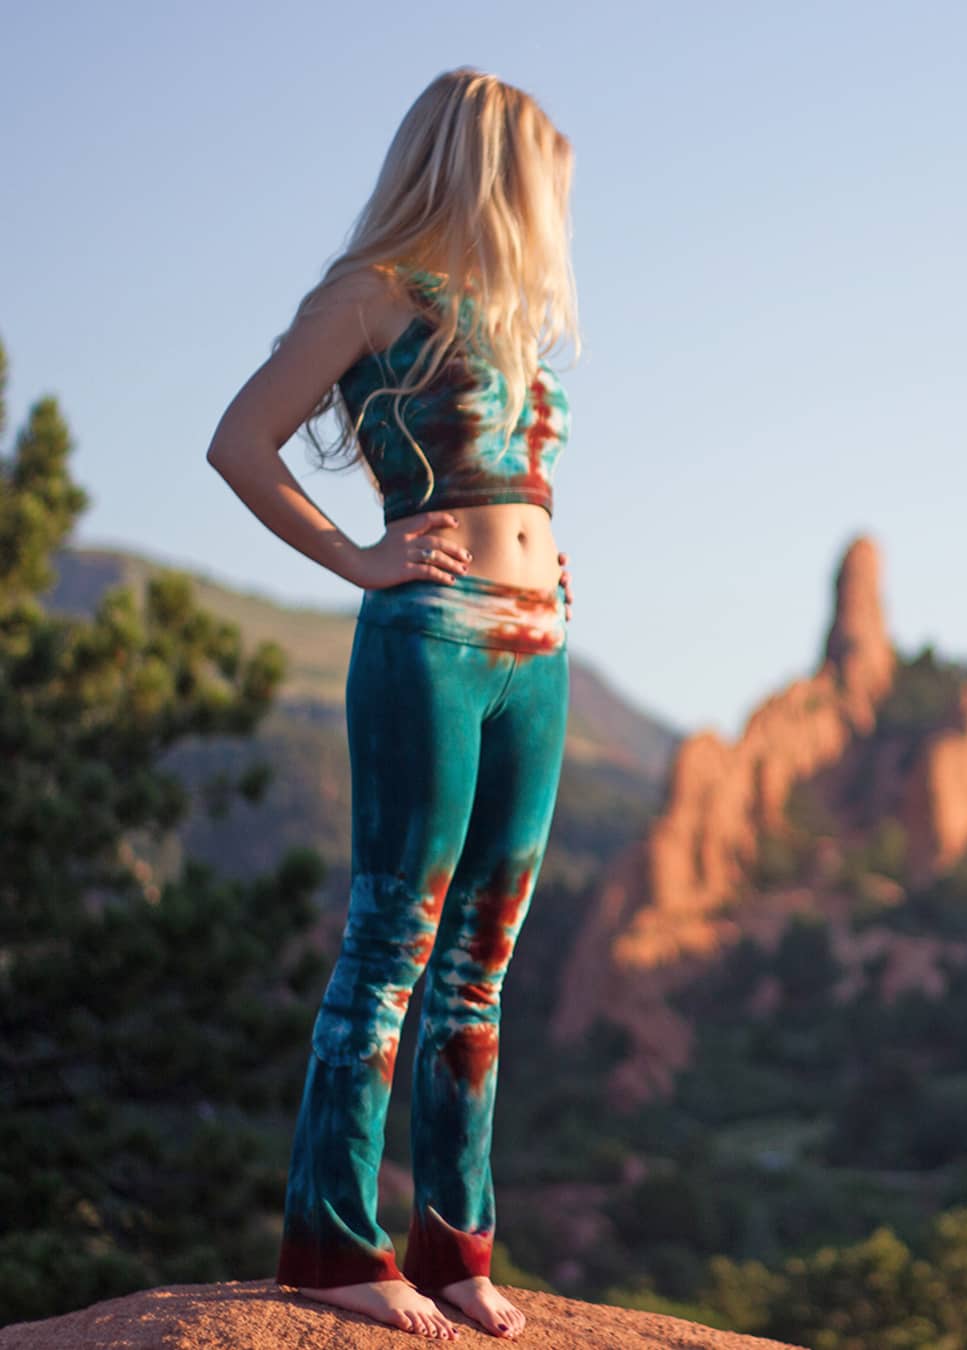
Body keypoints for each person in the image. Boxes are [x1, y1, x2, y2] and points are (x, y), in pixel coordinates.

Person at [205, 67, 580, 1341]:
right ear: (485, 168)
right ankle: (330, 1247)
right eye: (539, 179)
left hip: (540, 645)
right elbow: (240, 440)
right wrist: (363, 559)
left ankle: (455, 1245)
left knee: (481, 967)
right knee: (390, 950)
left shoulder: (507, 317)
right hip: (430, 636)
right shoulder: (372, 294)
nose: (550, 209)